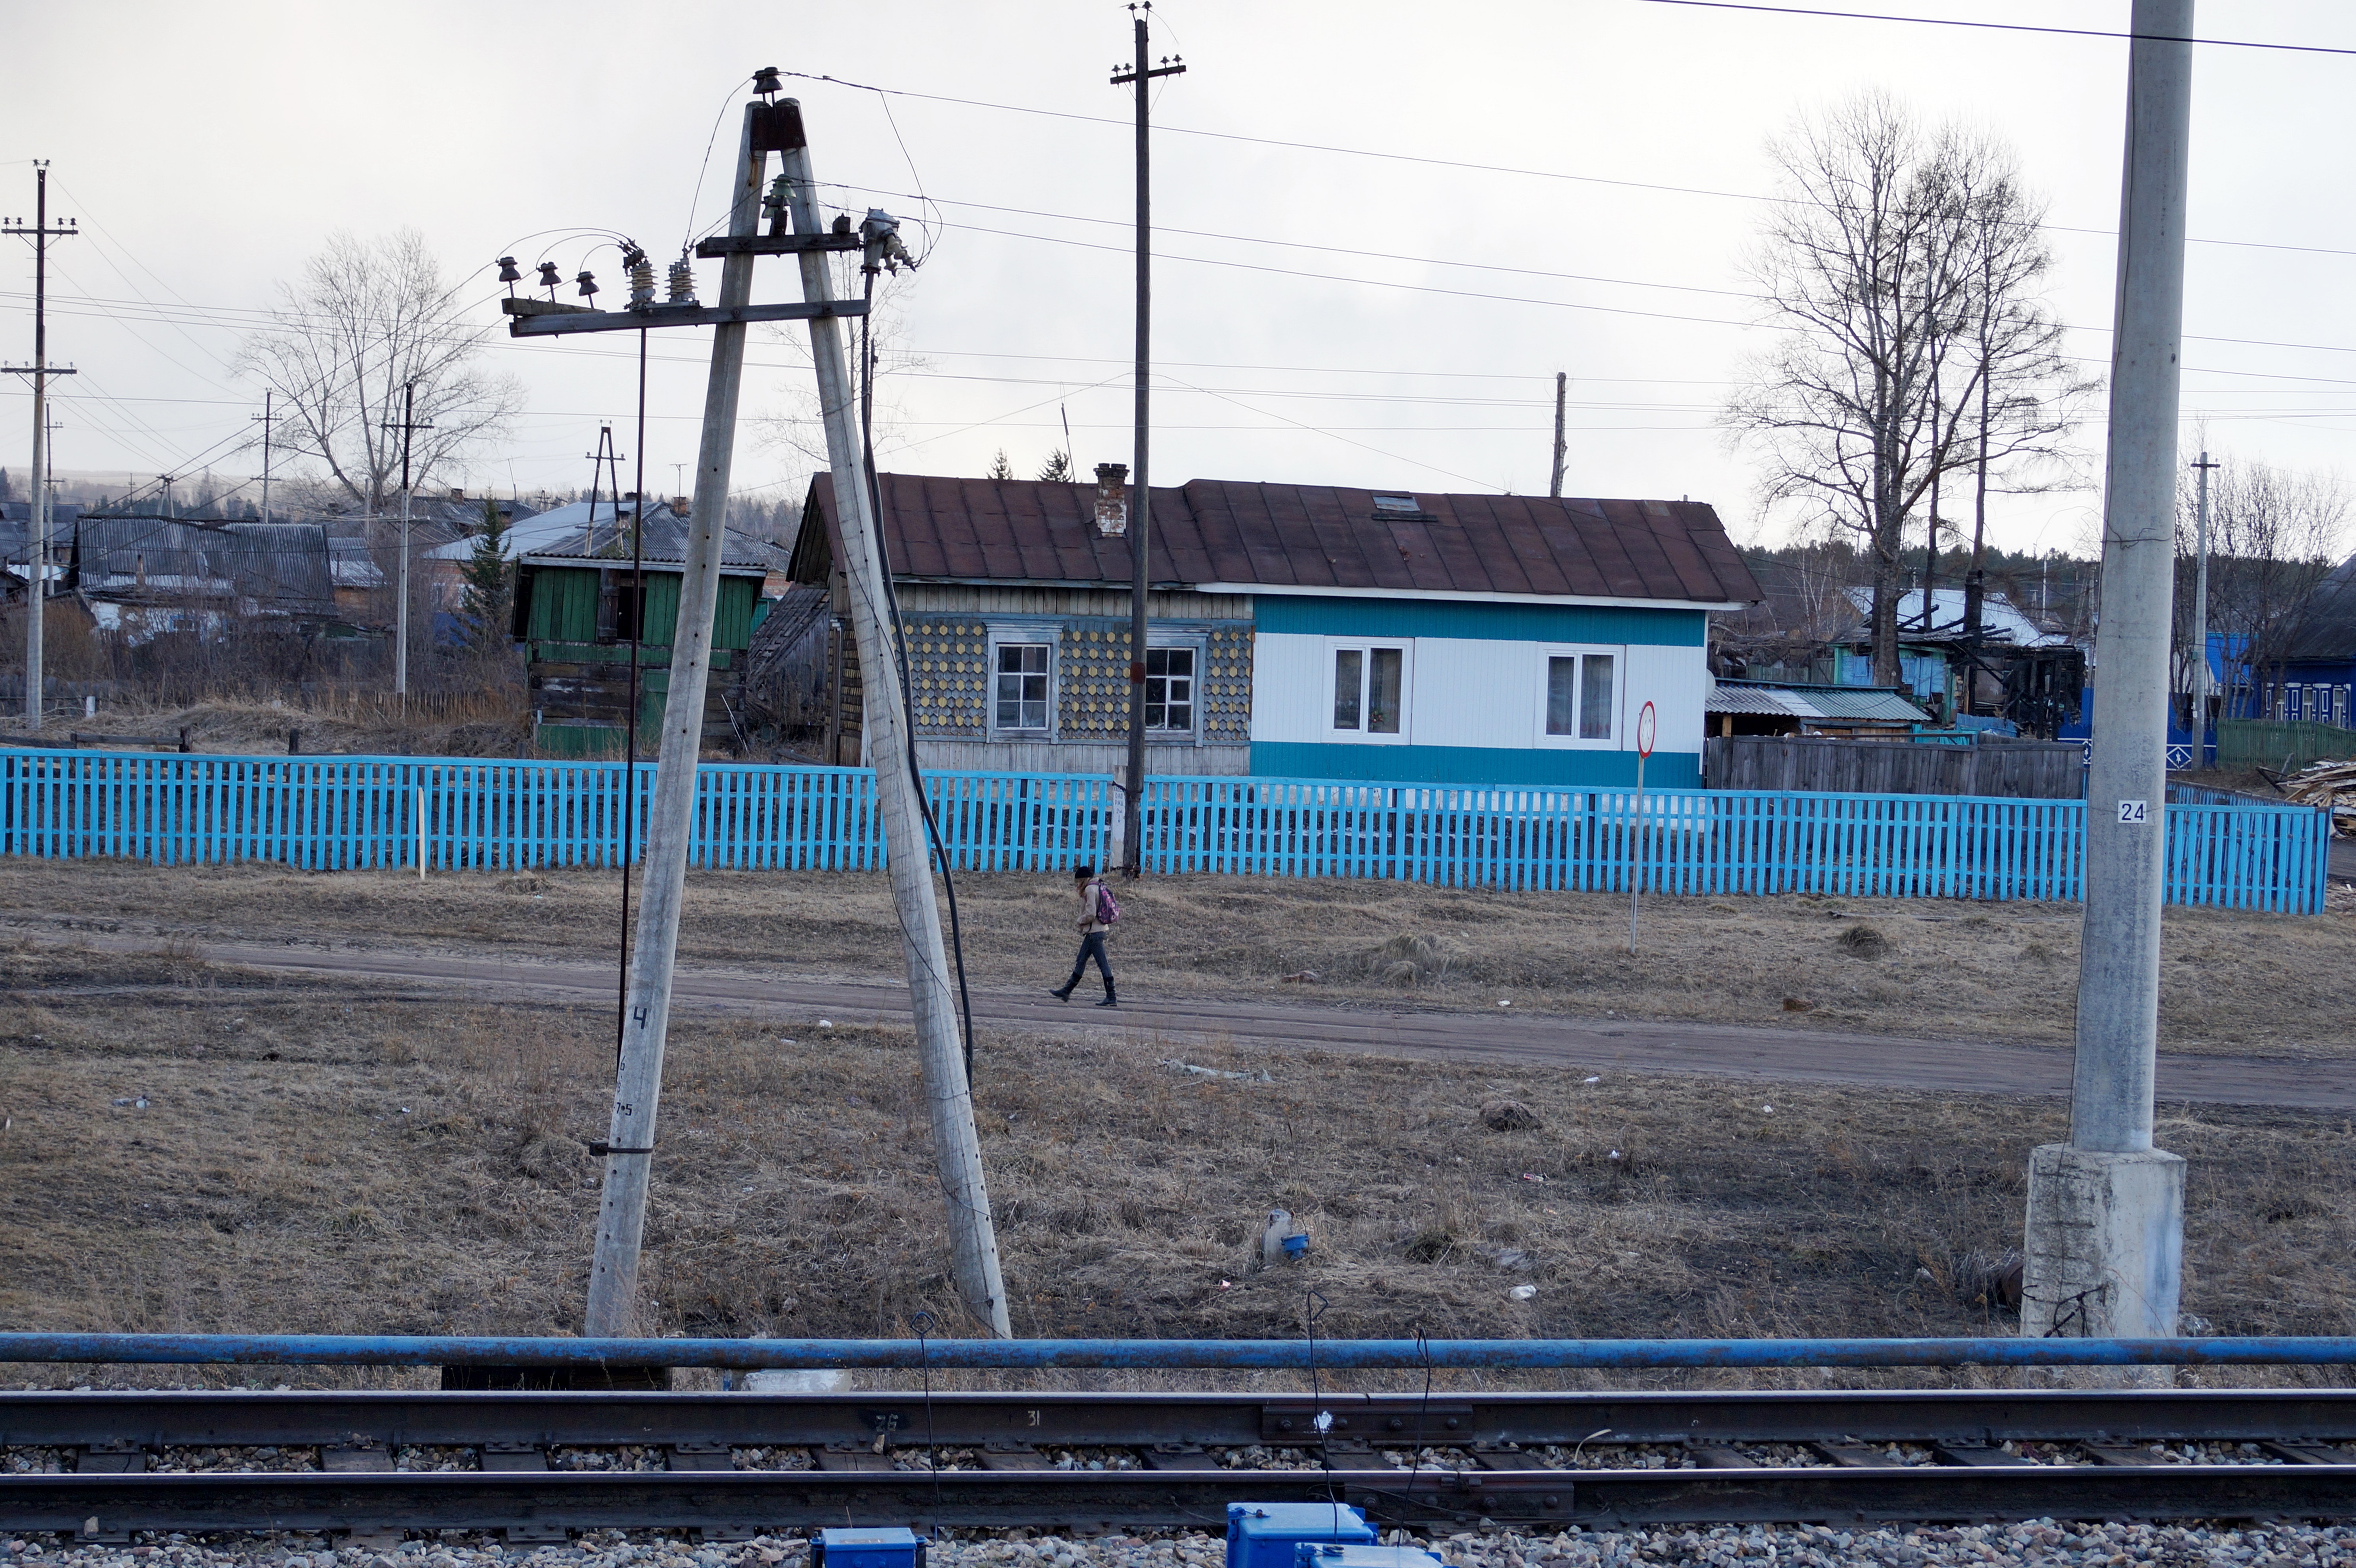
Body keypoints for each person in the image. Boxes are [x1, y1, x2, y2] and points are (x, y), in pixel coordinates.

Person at [1051, 862, 1118, 1007]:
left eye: (1079, 881)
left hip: (1095, 932)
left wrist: (1080, 921)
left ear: (1083, 879)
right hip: (1097, 931)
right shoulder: (1099, 886)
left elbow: (1091, 914)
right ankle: (1066, 991)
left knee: (1102, 964)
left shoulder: (1090, 890)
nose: (1078, 884)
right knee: (1081, 960)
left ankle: (1112, 997)